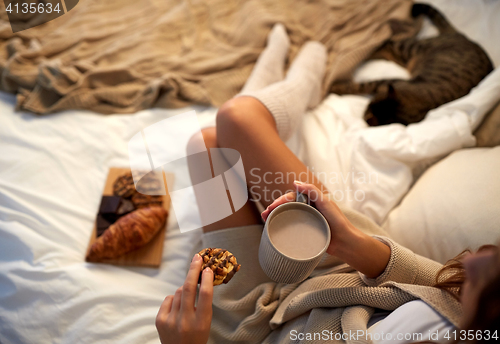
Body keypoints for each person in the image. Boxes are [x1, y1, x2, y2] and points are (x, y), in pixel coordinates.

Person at [156, 24, 500, 343]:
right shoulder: (480, 324)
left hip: (254, 327)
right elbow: (443, 284)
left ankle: (298, 66)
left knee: (205, 144)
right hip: (346, 266)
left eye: (484, 279)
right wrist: (353, 242)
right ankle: (306, 67)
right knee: (237, 119)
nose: (469, 262)